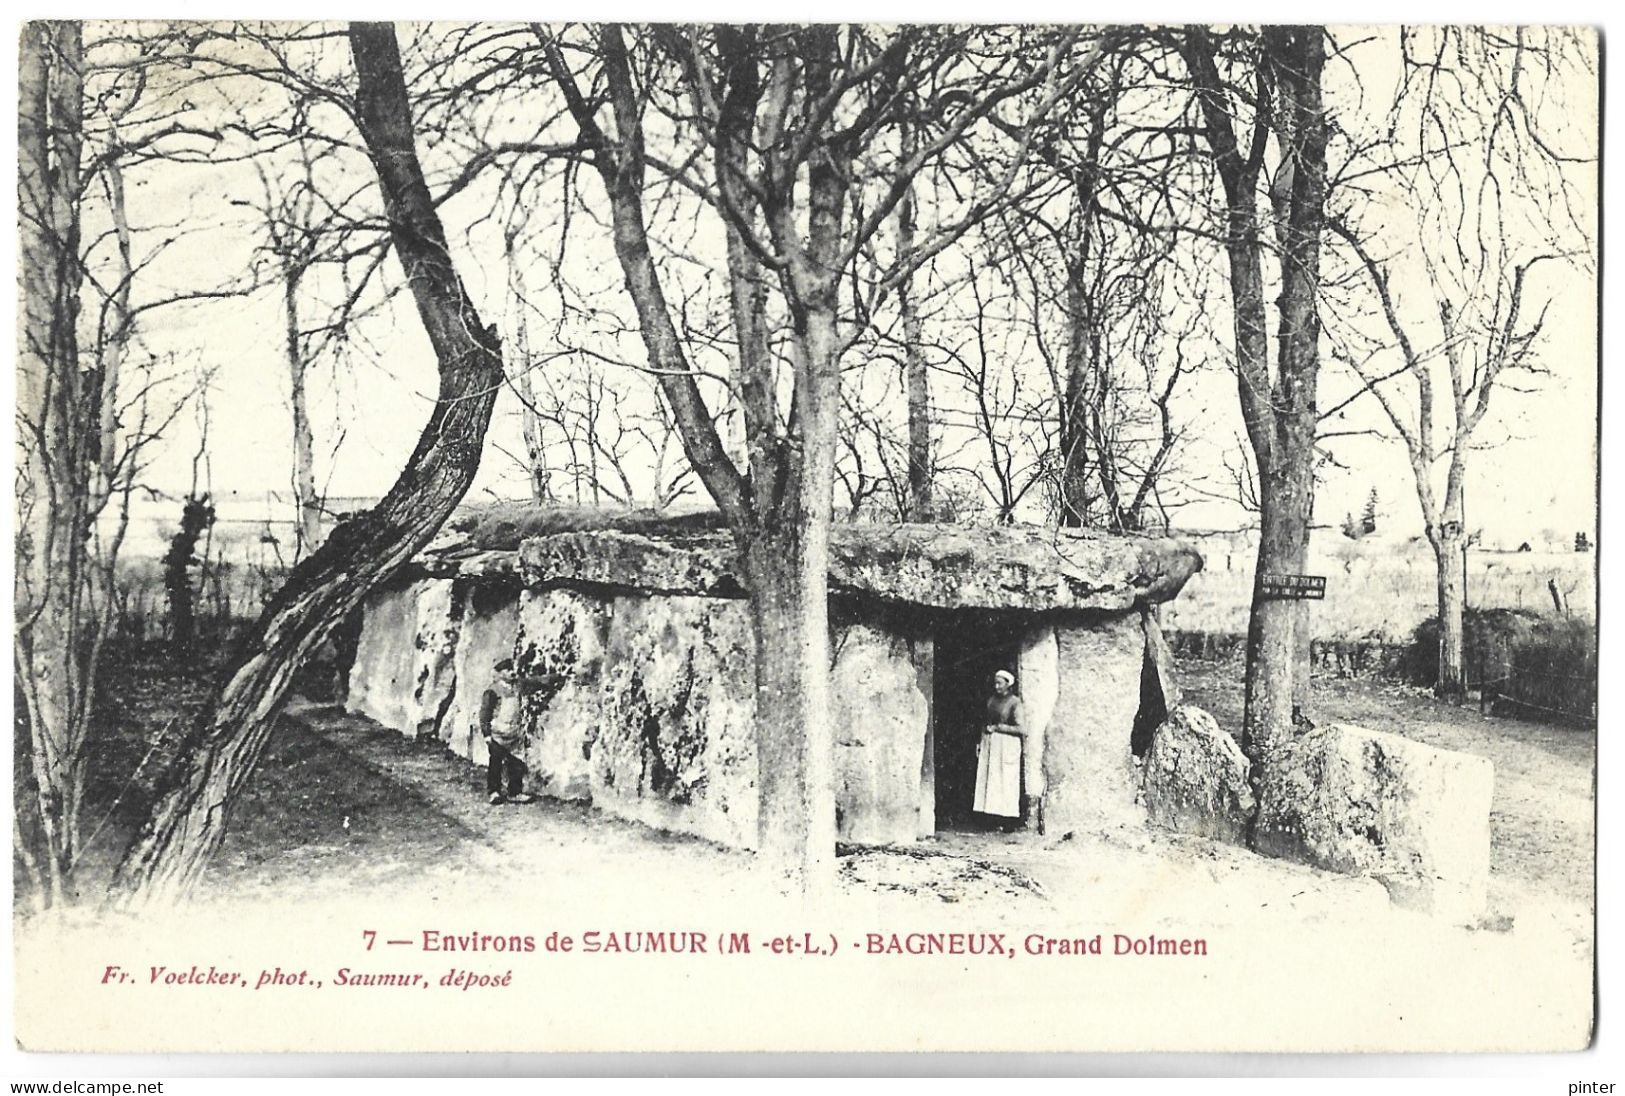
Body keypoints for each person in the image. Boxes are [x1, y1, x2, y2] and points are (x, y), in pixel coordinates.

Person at [478, 658, 536, 805]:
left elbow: (536, 682)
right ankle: (494, 792)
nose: (512, 672)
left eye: (513, 669)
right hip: (498, 733)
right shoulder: (492, 690)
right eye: (508, 670)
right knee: (495, 763)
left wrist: (558, 677)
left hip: (514, 732)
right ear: (500, 673)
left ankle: (514, 792)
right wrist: (486, 735)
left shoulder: (518, 686)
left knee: (517, 763)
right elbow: (484, 714)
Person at [973, 668, 1025, 829]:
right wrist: (980, 742)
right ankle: (992, 820)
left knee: (1007, 781)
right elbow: (985, 722)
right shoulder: (991, 701)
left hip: (1007, 745)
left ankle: (1008, 822)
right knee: (992, 781)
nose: (996, 686)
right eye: (995, 683)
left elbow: (1022, 729)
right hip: (991, 744)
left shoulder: (1015, 703)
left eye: (1000, 683)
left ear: (1008, 685)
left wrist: (998, 728)